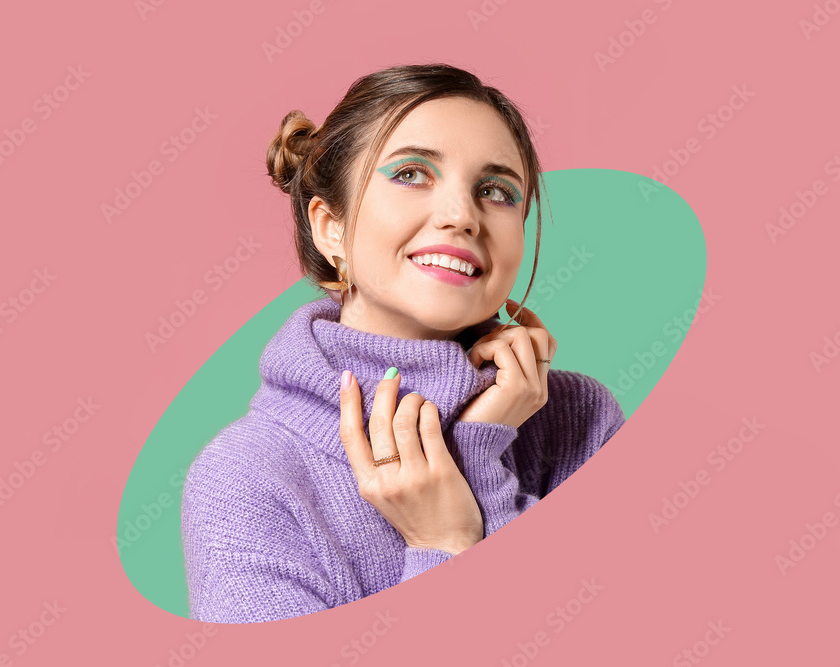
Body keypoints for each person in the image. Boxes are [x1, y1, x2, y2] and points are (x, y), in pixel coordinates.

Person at [181, 63, 625, 623]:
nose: (462, 216)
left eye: (496, 191)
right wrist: (444, 545)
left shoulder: (579, 422)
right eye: (412, 174)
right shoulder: (248, 479)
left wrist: (478, 465)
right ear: (330, 228)